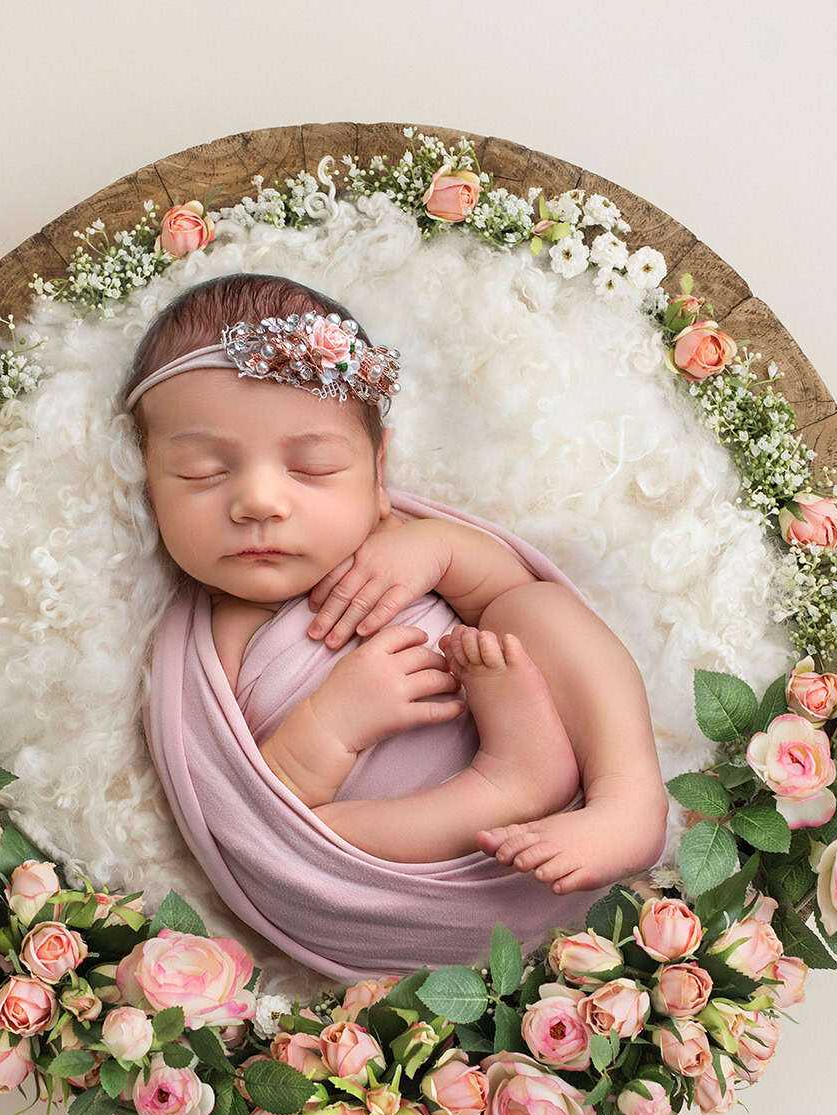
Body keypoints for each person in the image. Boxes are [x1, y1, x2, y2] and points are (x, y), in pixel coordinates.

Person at [128, 273, 668, 898]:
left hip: (568, 826)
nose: (258, 501)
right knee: (308, 838)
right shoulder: (200, 654)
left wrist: (441, 551)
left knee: (538, 608)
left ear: (378, 471)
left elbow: (505, 596)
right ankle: (511, 785)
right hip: (409, 868)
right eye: (201, 472)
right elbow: (250, 814)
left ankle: (628, 798)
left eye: (312, 467)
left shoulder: (401, 537)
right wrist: (332, 724)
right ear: (146, 481)